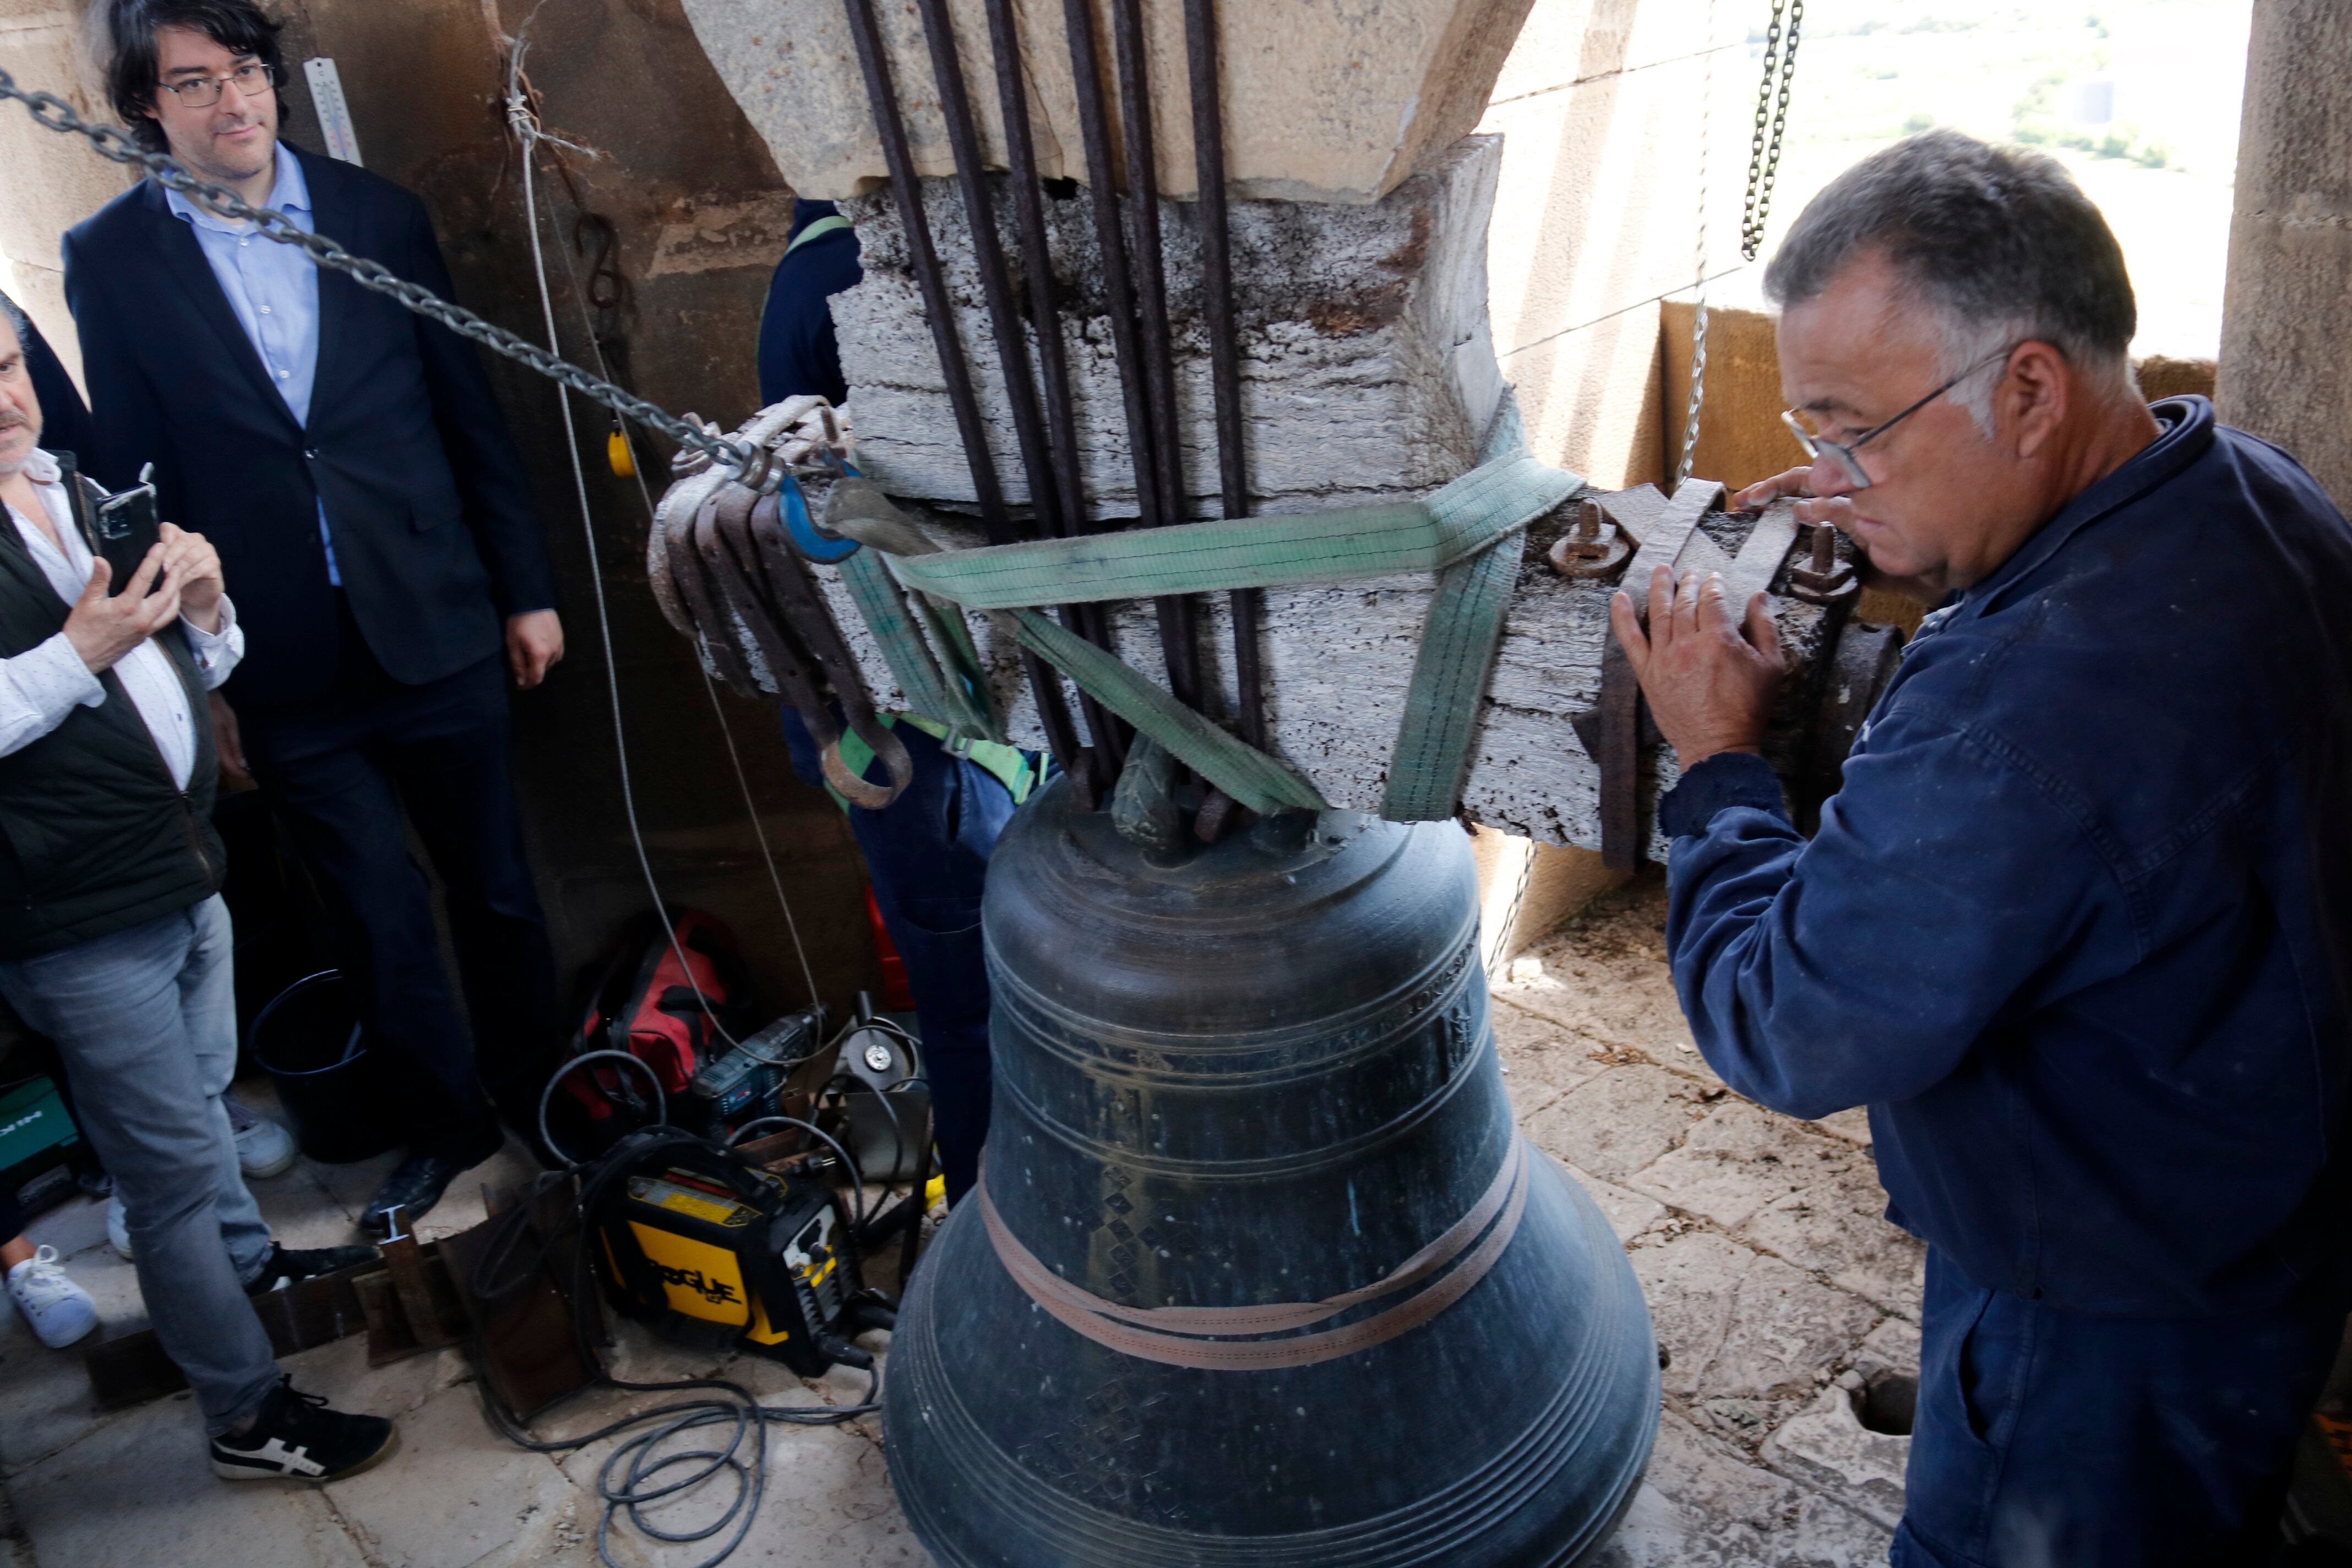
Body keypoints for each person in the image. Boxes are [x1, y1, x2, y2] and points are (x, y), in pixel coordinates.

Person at [1612, 128, 2352, 1566]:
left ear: (2027, 389)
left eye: (1854, 430)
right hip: (2250, 1195)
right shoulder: (2253, 491)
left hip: (2102, 1301)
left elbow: (1785, 1024)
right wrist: (1899, 500)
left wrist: (1716, 758)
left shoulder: (2020, 722)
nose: (1831, 472)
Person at [66, 0, 567, 1237]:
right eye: (194, 82)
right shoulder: (111, 258)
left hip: (435, 614)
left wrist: (527, 587)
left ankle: (545, 1096)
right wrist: (201, 679)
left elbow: (465, 411)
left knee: (498, 886)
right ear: (146, 107)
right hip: (277, 654)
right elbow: (133, 481)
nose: (232, 101)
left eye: (245, 71)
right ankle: (447, 1128)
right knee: (375, 916)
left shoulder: (376, 215)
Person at [0, 295, 393, 1478]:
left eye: (6, 365)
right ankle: (244, 1414)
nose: (4, 398)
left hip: (180, 865)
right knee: (164, 1173)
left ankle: (253, 1265)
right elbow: (81, 665)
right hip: (77, 912)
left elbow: (188, 660)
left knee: (207, 1103)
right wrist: (79, 652)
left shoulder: (72, 490)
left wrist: (209, 606)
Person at [758, 199, 1033, 1205]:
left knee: (984, 1011)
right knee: (979, 1016)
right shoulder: (851, 273)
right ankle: (997, 1237)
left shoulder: (825, 257)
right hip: (928, 739)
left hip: (929, 723)